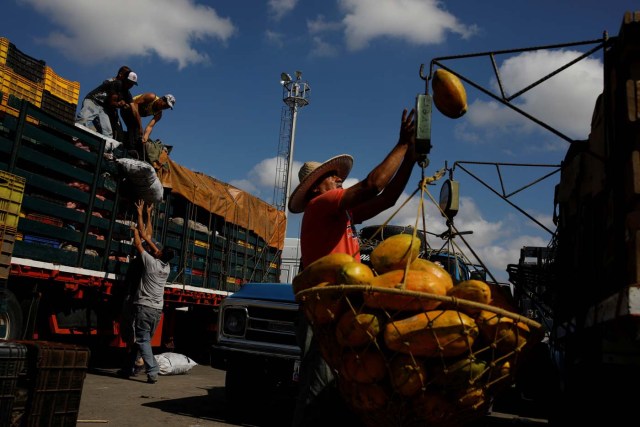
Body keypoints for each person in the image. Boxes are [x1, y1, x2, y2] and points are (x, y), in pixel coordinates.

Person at [288, 108, 419, 427]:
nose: (341, 180)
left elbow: (386, 199)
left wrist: (412, 158)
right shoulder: (321, 205)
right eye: (335, 177)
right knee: (319, 388)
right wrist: (402, 144)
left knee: (339, 386)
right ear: (317, 187)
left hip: (343, 309)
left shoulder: (341, 215)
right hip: (327, 311)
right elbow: (374, 185)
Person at [121, 200, 174, 384]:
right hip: (157, 310)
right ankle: (131, 367)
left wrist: (136, 230)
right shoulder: (166, 268)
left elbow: (141, 240)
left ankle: (152, 370)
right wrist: (145, 213)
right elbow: (148, 235)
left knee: (140, 340)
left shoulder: (150, 263)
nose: (156, 249)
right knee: (142, 341)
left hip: (143, 306)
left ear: (158, 254)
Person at [76, 66, 139, 140]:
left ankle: (104, 149)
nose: (130, 86)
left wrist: (139, 126)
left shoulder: (126, 93)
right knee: (83, 119)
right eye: (129, 83)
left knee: (108, 133)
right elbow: (112, 102)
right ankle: (75, 139)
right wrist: (120, 104)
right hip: (93, 101)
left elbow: (133, 108)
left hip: (104, 108)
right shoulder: (114, 82)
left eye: (132, 84)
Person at [121, 93, 175, 159]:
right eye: (165, 105)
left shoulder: (159, 114)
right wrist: (140, 126)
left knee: (139, 137)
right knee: (136, 129)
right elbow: (135, 105)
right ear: (161, 99)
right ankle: (130, 150)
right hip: (128, 108)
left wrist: (145, 136)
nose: (165, 108)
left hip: (136, 117)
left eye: (167, 107)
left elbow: (150, 126)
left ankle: (128, 144)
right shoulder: (151, 97)